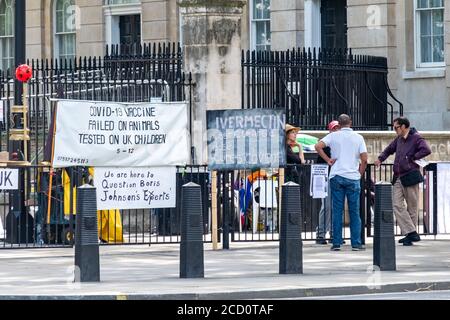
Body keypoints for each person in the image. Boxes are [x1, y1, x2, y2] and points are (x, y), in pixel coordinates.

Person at [375, 117, 431, 246]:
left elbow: (426, 150)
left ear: (404, 126)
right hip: (399, 176)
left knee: (412, 207)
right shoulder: (399, 139)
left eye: (396, 127)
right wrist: (380, 159)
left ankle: (409, 235)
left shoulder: (416, 138)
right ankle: (411, 232)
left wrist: (412, 157)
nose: (394, 130)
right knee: (396, 204)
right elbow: (389, 149)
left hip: (411, 175)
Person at [315, 114, 368, 251]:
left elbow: (318, 146)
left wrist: (328, 160)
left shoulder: (333, 136)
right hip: (352, 177)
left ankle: (336, 243)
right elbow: (364, 159)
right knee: (354, 212)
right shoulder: (358, 137)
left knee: (337, 211)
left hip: (337, 175)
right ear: (350, 122)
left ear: (339, 123)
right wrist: (359, 174)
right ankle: (356, 243)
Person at [315, 120, 340, 245]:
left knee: (336, 206)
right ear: (330, 131)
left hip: (337, 176)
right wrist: (328, 160)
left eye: (338, 128)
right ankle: (320, 234)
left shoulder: (341, 143)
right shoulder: (325, 143)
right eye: (334, 128)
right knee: (327, 206)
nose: (336, 130)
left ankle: (334, 234)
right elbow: (319, 161)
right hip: (326, 177)